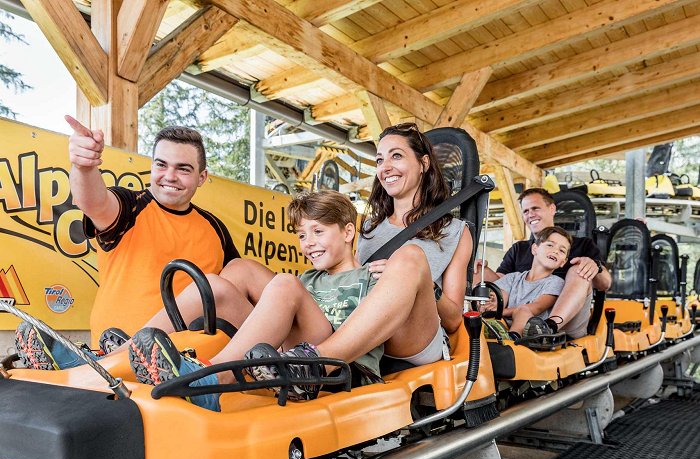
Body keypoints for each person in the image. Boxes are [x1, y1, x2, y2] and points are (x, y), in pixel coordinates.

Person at [131, 122, 473, 404]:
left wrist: (420, 283)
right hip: (346, 326)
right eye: (380, 159)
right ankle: (125, 354)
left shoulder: (456, 231)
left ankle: (313, 365)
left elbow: (456, 317)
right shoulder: (367, 228)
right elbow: (340, 273)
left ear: (424, 164)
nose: (385, 167)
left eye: (396, 156)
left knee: (410, 258)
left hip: (413, 337)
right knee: (238, 271)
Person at [15, 116, 239, 370]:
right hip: (113, 353)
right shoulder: (131, 205)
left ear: (202, 177)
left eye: (183, 169)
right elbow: (94, 203)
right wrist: (84, 167)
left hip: (185, 362)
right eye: (161, 165)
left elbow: (234, 292)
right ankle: (96, 361)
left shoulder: (216, 228)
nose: (170, 176)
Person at [128, 190, 385, 408]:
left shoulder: (373, 276)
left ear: (348, 232)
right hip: (285, 358)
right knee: (235, 271)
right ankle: (118, 354)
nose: (308, 243)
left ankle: (214, 378)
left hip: (336, 370)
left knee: (284, 282)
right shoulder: (308, 279)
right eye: (302, 235)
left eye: (318, 231)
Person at [476, 188, 611, 339]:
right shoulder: (518, 249)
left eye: (535, 208)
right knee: (476, 270)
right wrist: (482, 270)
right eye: (526, 211)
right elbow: (500, 283)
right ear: (535, 249)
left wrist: (595, 266)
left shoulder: (582, 245)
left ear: (552, 208)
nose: (530, 214)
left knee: (578, 269)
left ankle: (549, 327)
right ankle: (471, 323)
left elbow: (605, 284)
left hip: (565, 320)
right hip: (518, 315)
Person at [483, 227, 571, 339]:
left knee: (523, 310)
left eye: (562, 250)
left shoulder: (556, 282)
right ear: (534, 248)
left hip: (530, 331)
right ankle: (492, 332)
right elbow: (500, 299)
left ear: (563, 262)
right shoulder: (512, 278)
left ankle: (514, 338)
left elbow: (537, 307)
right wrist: (492, 307)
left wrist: (500, 312)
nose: (556, 251)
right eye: (550, 245)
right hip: (503, 323)